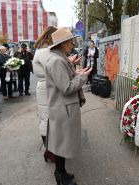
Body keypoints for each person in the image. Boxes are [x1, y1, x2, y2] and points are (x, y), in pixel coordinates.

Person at [44, 27, 92, 185]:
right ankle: (60, 176)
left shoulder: (58, 58)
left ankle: (61, 173)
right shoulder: (57, 60)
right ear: (63, 44)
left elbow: (63, 81)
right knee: (62, 144)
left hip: (61, 107)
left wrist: (76, 74)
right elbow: (66, 88)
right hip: (63, 108)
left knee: (61, 143)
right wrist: (83, 77)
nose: (72, 44)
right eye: (70, 42)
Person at [33, 26, 58, 163]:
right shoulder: (46, 50)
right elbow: (55, 68)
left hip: (46, 86)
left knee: (46, 117)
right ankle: (49, 150)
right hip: (47, 87)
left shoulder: (42, 49)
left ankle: (49, 150)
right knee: (46, 118)